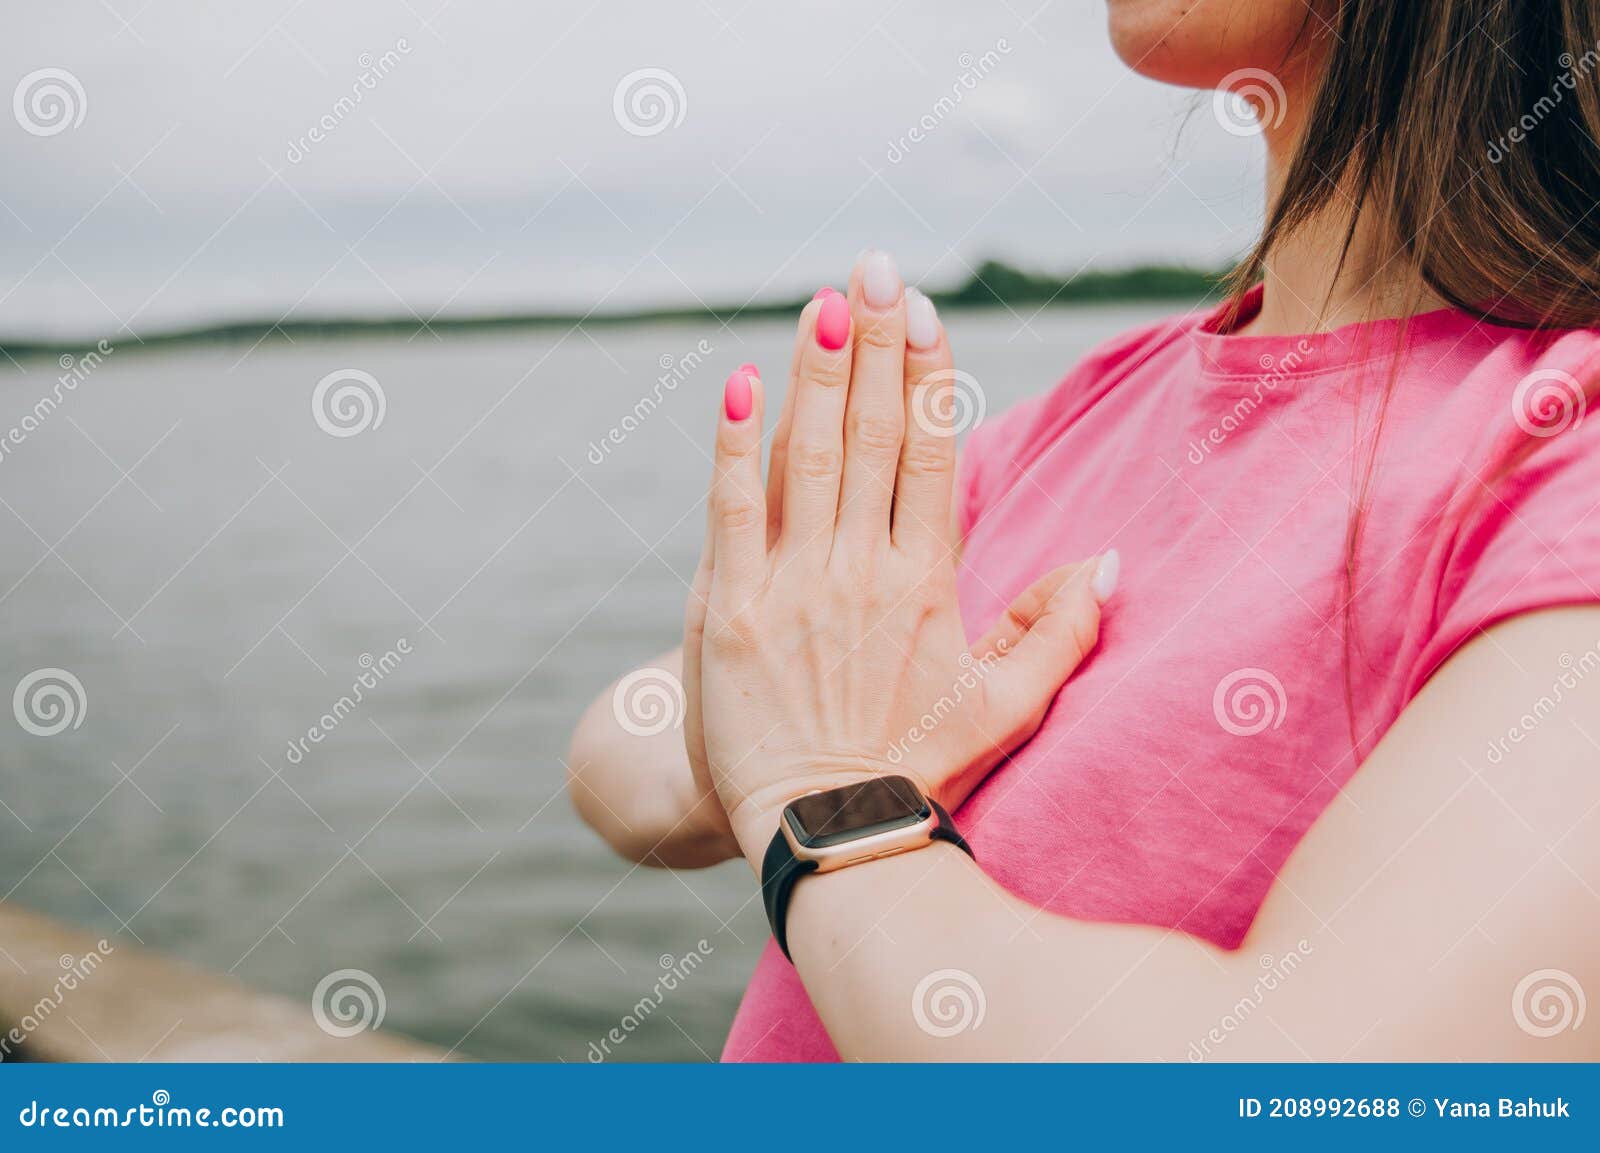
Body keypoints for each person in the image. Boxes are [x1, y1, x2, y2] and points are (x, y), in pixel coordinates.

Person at [568, 0, 1600, 1060]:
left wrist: (828, 803)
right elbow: (613, 754)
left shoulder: (1565, 450)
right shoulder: (1100, 400)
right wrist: (806, 741)